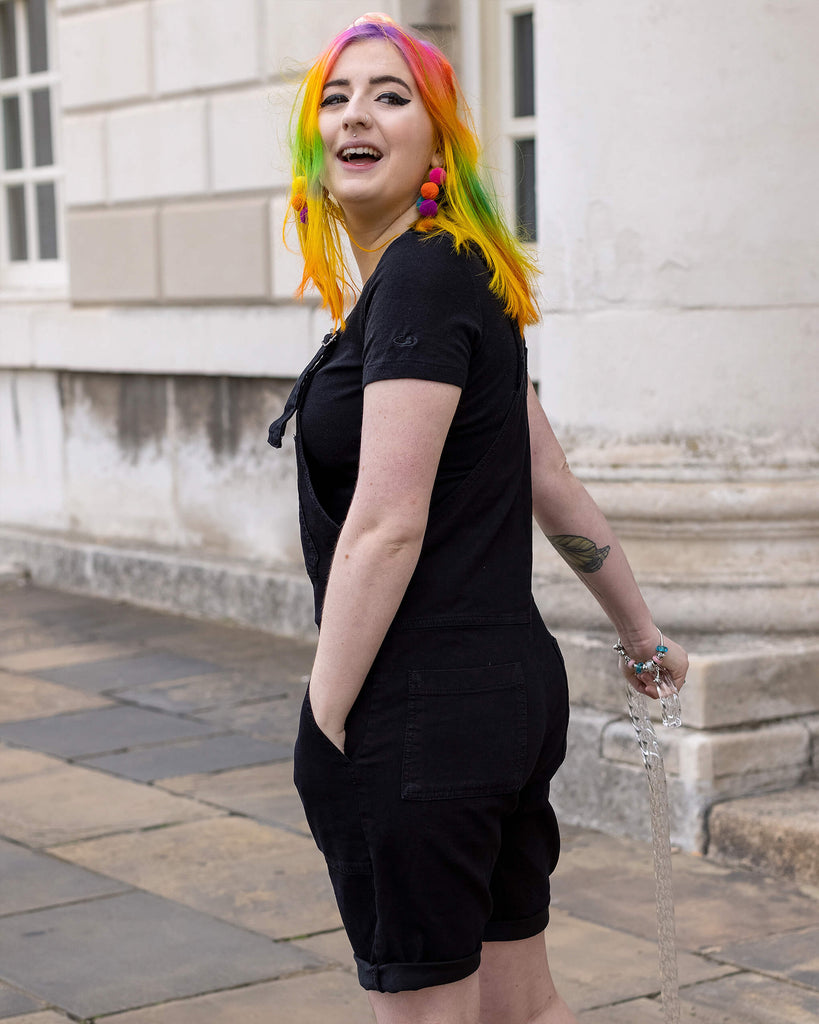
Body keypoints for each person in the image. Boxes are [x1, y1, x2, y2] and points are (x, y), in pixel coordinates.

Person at [268, 13, 688, 1024]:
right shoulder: (468, 276)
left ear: (438, 144)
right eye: (336, 96)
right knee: (522, 1007)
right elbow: (550, 477)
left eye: (390, 94)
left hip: (422, 714)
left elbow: (386, 524)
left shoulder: (418, 276)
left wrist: (321, 721)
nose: (356, 113)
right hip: (506, 700)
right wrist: (643, 634)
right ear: (311, 144)